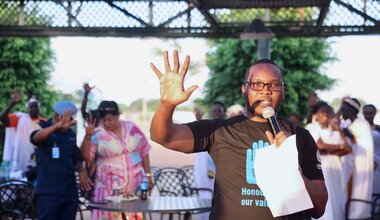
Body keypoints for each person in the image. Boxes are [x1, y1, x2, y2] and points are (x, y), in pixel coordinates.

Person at [149, 50, 327, 219]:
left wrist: (291, 170)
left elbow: (319, 208)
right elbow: (164, 137)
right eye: (257, 84)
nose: (265, 90)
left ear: (283, 91)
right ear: (244, 89)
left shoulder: (300, 137)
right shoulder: (219, 130)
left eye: (274, 84)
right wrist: (167, 104)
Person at [81, 100, 153, 220]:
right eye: (104, 120)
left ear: (118, 115)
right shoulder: (97, 133)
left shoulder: (131, 127)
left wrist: (148, 175)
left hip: (133, 189)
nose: (107, 123)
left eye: (111, 119)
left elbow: (144, 151)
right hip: (108, 191)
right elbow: (86, 157)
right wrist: (88, 137)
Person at [30, 100, 82, 220]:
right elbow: (36, 138)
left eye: (71, 119)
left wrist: (82, 170)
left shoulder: (70, 134)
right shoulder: (42, 126)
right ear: (57, 116)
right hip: (48, 193)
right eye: (68, 119)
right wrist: (57, 126)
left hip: (69, 193)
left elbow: (77, 157)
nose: (70, 123)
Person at [305, 101, 352, 220]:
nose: (325, 114)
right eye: (322, 111)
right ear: (316, 115)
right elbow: (320, 146)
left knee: (337, 195)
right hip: (321, 166)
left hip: (336, 167)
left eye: (328, 111)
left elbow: (348, 148)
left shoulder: (336, 130)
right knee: (326, 195)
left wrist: (339, 131)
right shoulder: (312, 127)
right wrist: (338, 148)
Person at [337, 97, 374, 219]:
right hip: (348, 161)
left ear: (353, 110)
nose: (342, 112)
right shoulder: (347, 123)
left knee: (358, 188)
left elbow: (361, 143)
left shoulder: (362, 124)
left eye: (344, 109)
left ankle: (357, 214)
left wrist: (348, 133)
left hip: (360, 161)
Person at [0, 87, 45, 179]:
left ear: (39, 108)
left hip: (38, 161)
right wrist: (12, 103)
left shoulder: (44, 122)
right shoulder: (20, 118)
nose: (33, 109)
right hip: (19, 160)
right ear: (27, 108)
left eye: (36, 106)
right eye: (31, 106)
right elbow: (3, 118)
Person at [363, 104, 380, 194]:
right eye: (365, 113)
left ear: (374, 114)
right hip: (362, 164)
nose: (368, 116)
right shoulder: (358, 129)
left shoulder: (378, 129)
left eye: (370, 113)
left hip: (377, 164)